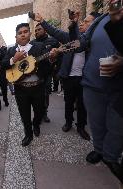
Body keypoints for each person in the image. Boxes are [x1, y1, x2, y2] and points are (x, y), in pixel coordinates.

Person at [74, 1, 123, 184]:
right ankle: (99, 150)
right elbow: (82, 42)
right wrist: (73, 27)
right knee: (96, 122)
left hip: (118, 87)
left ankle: (111, 156)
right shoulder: (100, 19)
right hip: (93, 84)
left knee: (117, 126)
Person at [33, 11, 102, 141]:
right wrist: (42, 21)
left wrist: (74, 24)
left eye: (86, 21)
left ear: (94, 25)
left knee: (82, 104)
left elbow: (79, 43)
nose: (82, 23)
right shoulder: (68, 37)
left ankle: (81, 126)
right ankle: (68, 122)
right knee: (68, 102)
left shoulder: (93, 40)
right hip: (69, 77)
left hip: (84, 78)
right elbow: (55, 32)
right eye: (81, 21)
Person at [1, 23, 50, 146]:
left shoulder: (39, 46)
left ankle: (36, 124)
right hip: (21, 89)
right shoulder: (12, 50)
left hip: (37, 87)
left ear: (30, 34)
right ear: (16, 36)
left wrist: (51, 59)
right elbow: (3, 64)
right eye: (20, 33)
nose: (23, 34)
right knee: (24, 114)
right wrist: (14, 59)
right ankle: (28, 134)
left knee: (40, 111)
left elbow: (47, 68)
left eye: (25, 32)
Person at [31, 23, 61, 123]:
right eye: (35, 30)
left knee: (45, 94)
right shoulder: (32, 43)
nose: (37, 32)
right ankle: (37, 113)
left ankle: (44, 113)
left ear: (45, 30)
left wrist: (55, 61)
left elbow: (59, 55)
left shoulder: (53, 41)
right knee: (36, 95)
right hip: (34, 74)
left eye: (39, 29)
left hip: (47, 72)